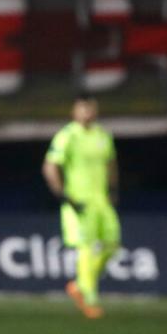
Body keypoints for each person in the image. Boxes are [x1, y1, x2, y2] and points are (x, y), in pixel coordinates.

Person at [42, 95, 120, 319]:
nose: (87, 112)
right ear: (74, 111)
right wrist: (64, 196)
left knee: (113, 245)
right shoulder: (67, 136)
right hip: (78, 202)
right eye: (82, 108)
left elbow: (111, 163)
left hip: (101, 201)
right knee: (85, 247)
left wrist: (113, 189)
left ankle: (79, 285)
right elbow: (49, 167)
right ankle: (89, 297)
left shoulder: (103, 136)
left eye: (90, 108)